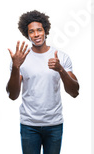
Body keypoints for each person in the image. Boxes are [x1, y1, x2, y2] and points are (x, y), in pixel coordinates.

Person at [6, 10, 79, 154]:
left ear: (45, 31)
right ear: (27, 35)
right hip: (29, 125)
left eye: (39, 30)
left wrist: (61, 70)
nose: (36, 34)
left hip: (54, 124)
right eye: (31, 31)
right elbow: (12, 95)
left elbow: (75, 92)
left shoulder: (61, 57)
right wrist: (16, 67)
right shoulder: (21, 59)